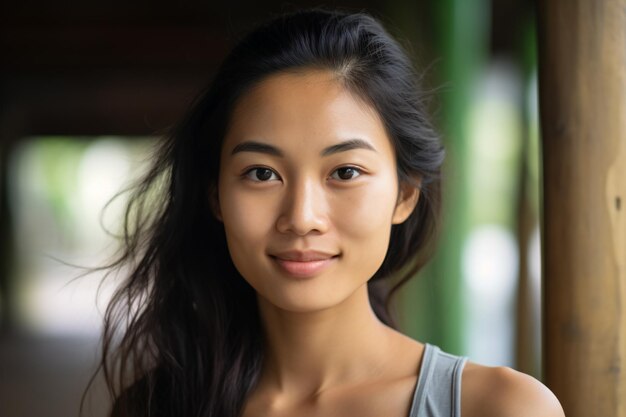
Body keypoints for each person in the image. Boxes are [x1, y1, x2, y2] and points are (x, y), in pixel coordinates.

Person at [90, 8, 564, 417]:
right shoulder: (153, 407)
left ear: (405, 194)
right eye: (261, 173)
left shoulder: (500, 407)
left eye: (345, 172)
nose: (301, 217)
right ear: (215, 197)